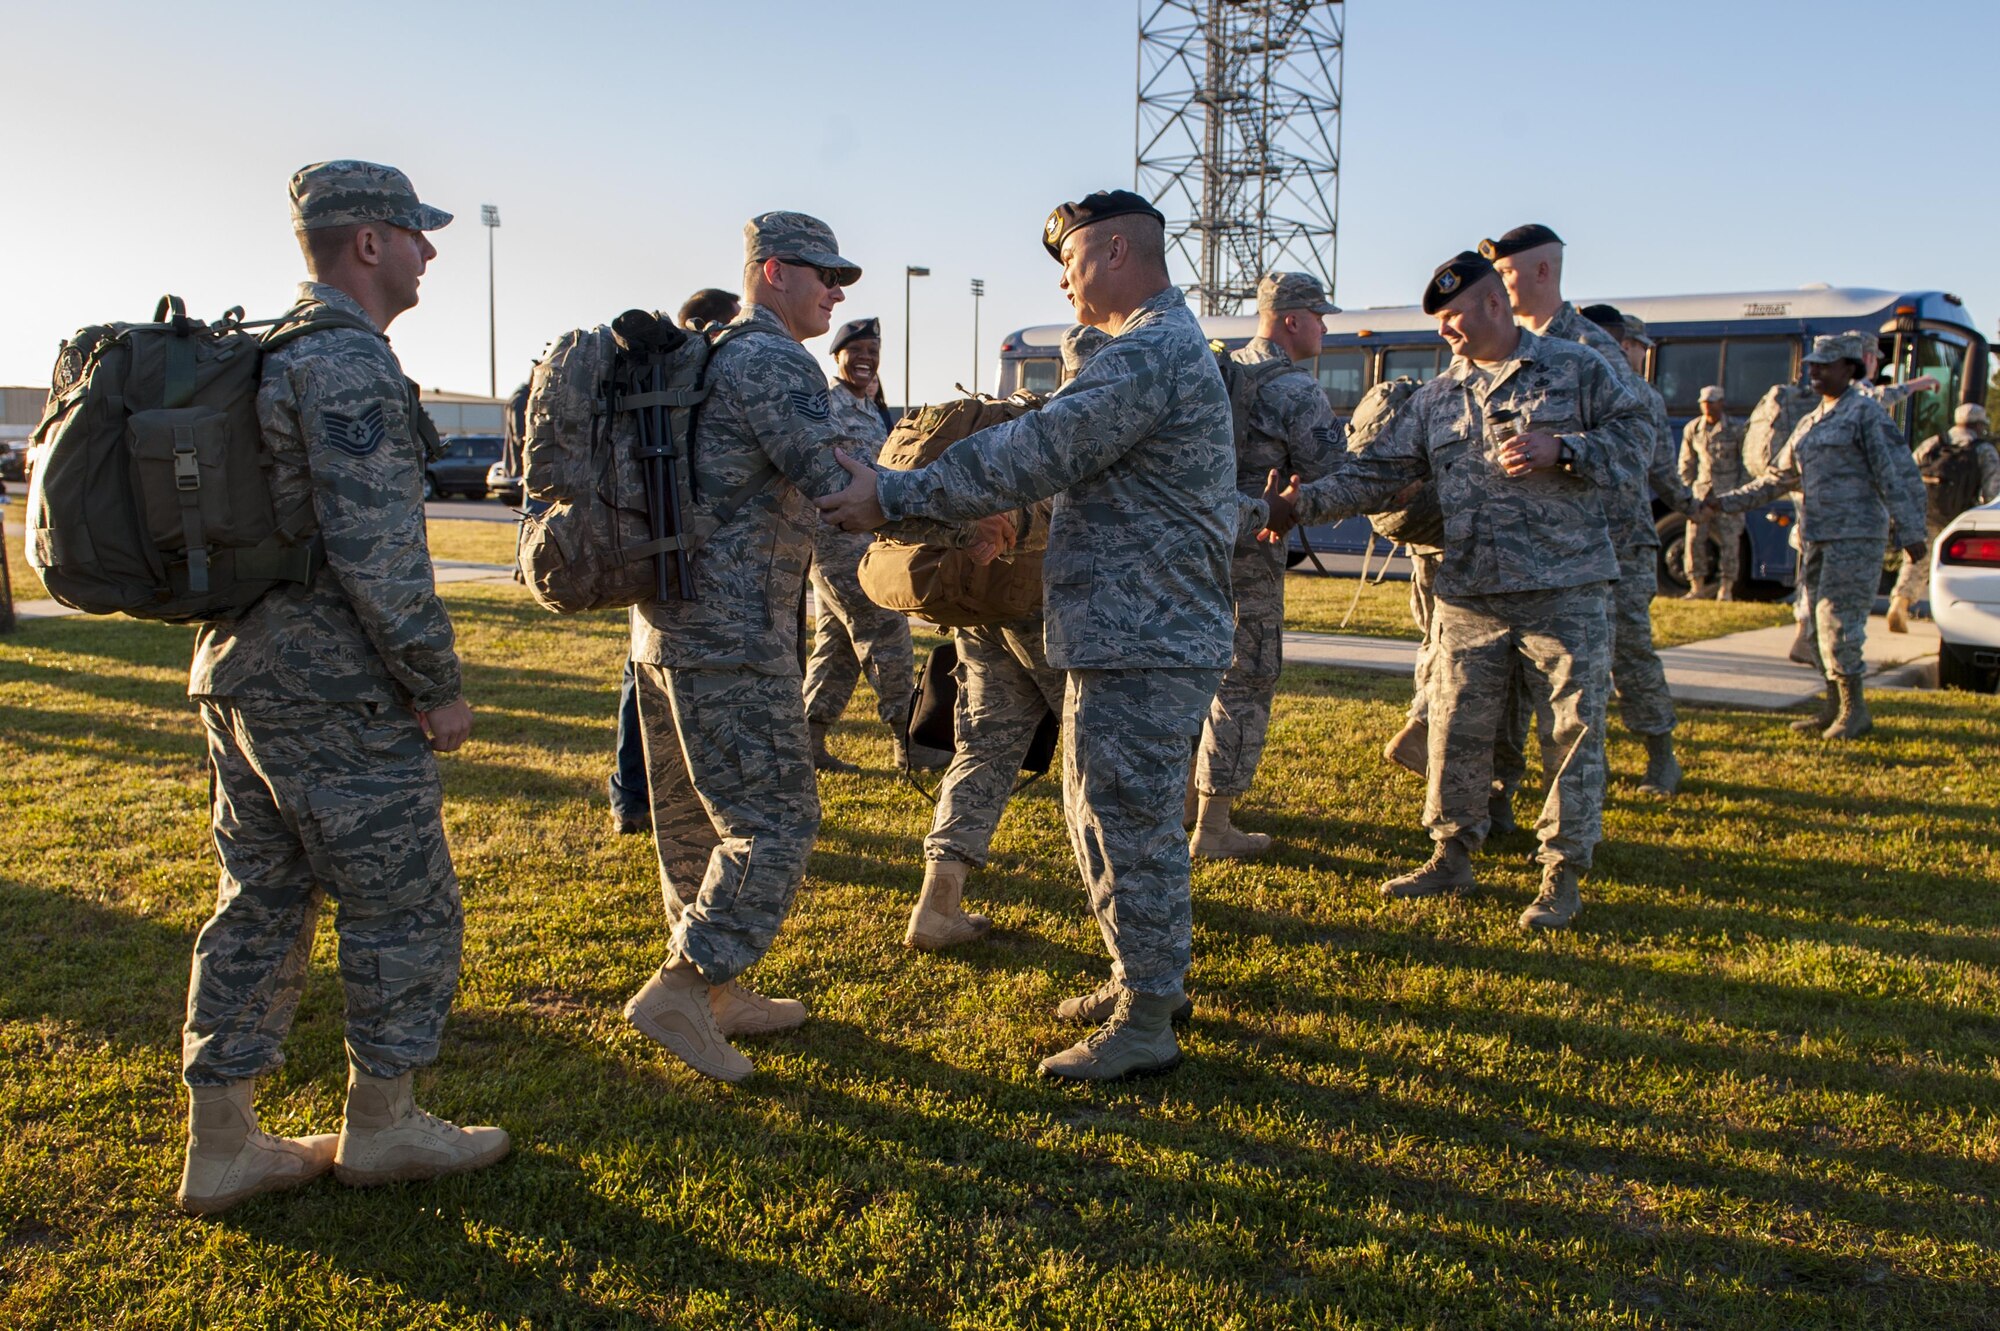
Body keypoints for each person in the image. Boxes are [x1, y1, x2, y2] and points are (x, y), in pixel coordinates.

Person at [817, 189, 1249, 1079]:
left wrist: (892, 495)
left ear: (1120, 252)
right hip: (1129, 626)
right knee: (1103, 810)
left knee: (1124, 817)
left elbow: (1037, 448)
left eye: (1073, 259)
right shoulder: (1156, 349)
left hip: (1145, 632)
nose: (1063, 279)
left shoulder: (1151, 353)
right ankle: (1147, 981)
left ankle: (1147, 1015)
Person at [176, 160, 508, 1215]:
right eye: (416, 233)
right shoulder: (346, 364)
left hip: (240, 674)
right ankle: (384, 1124)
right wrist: (435, 682)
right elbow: (378, 553)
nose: (430, 251)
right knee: (404, 902)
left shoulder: (267, 351)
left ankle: (221, 1140)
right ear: (368, 242)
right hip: (333, 688)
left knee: (260, 899)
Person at [1264, 251, 1649, 930]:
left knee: (1570, 733)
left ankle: (1561, 872)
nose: (1444, 330)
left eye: (1452, 316)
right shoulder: (1439, 397)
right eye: (1437, 321)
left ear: (1493, 305)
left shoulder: (1578, 366)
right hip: (1470, 590)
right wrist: (1299, 507)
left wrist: (1563, 449)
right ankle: (1451, 853)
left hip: (1566, 588)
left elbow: (1640, 440)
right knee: (1455, 728)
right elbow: (1376, 472)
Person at [625, 212, 917, 1084]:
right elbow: (836, 482)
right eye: (825, 276)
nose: (836, 293)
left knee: (691, 826)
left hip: (661, 629)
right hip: (733, 634)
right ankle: (682, 985)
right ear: (773, 270)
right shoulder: (771, 361)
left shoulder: (706, 350)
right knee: (778, 820)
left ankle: (720, 989)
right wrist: (952, 511)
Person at [904, 323, 1108, 952]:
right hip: (1050, 612)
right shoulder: (1096, 423)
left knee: (984, 749)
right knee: (1097, 756)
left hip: (987, 606)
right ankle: (1128, 926)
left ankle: (938, 905)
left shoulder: (1020, 424)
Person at [1483, 224, 1693, 800]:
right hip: (1534, 537)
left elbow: (1635, 434)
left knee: (1624, 653)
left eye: (1507, 273)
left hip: (1609, 539)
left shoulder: (1589, 345)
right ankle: (1507, 781)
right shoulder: (1504, 343)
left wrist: (1566, 451)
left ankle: (1659, 754)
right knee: (1518, 667)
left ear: (1543, 272)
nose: (1498, 286)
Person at [1189, 272, 1345, 860]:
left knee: (1195, 677)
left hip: (1193, 547)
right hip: (1251, 550)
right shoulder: (1294, 390)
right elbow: (1332, 471)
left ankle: (1183, 803)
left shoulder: (1215, 372)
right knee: (1245, 679)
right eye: (1319, 315)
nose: (1325, 327)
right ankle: (1214, 825)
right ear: (1291, 320)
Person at [1706, 333, 1927, 739]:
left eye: (1825, 365)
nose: (1814, 371)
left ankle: (1853, 711)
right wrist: (1723, 502)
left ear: (1850, 368)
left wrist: (1911, 530)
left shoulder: (1866, 414)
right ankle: (1832, 706)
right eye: (1812, 365)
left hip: (1856, 536)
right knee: (1814, 628)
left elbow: (1896, 473)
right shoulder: (1811, 420)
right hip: (1816, 536)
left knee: (1840, 623)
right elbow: (1777, 478)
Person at [608, 290, 744, 833]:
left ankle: (649, 799)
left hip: (682, 552)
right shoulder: (672, 381)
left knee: (650, 680)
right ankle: (633, 797)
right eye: (720, 326)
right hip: (660, 548)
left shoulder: (699, 382)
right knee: (640, 683)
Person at [803, 315, 939, 772]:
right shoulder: (825, 404)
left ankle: (806, 742)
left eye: (872, 352)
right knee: (885, 631)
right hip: (837, 540)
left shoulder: (872, 408)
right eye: (856, 352)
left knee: (837, 644)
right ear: (837, 356)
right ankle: (910, 743)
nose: (865, 360)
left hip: (866, 539)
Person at [1887, 402, 2000, 625]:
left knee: (1916, 561)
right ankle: (1956, 615)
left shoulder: (1933, 444)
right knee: (1958, 568)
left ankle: (1900, 602)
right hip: (1959, 518)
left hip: (1926, 511)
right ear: (1978, 425)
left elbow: (1907, 473)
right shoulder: (1983, 451)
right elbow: (1992, 491)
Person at [1679, 385, 1747, 597]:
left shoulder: (1736, 429)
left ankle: (1725, 589)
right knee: (1694, 540)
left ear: (1721, 403)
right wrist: (1689, 491)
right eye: (1704, 403)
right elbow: (1686, 463)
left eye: (1712, 402)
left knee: (1730, 542)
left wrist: (1741, 492)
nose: (1708, 406)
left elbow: (1747, 464)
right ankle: (1696, 586)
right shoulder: (1693, 429)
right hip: (1701, 495)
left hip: (1728, 494)